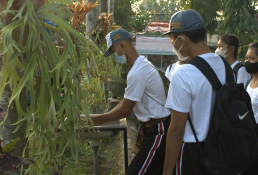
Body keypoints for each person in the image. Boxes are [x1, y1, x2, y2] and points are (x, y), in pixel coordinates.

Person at [84, 28, 171, 175]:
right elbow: (126, 102)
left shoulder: (138, 72)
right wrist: (104, 117)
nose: (115, 56)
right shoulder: (142, 65)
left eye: (113, 51)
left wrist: (96, 119)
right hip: (154, 128)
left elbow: (126, 110)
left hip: (158, 131)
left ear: (122, 46)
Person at [162, 10, 226, 175]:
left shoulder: (183, 73)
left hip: (193, 154)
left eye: (172, 38)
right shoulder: (225, 65)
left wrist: (167, 171)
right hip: (222, 150)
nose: (172, 44)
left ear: (181, 39)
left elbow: (176, 130)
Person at [241, 42, 258, 175]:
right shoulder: (248, 83)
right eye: (246, 58)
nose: (247, 61)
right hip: (248, 137)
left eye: (252, 58)